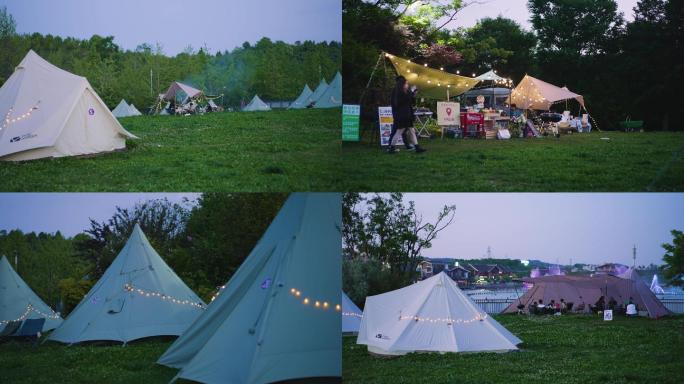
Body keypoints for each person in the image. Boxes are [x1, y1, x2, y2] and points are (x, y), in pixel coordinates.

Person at [387, 76, 425, 154]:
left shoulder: (406, 91)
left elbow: (411, 101)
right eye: (406, 83)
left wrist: (413, 93)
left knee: (411, 131)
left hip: (408, 115)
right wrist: (411, 91)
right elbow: (403, 101)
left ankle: (417, 147)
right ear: (402, 84)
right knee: (399, 131)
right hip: (402, 115)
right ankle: (391, 147)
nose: (407, 85)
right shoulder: (398, 92)